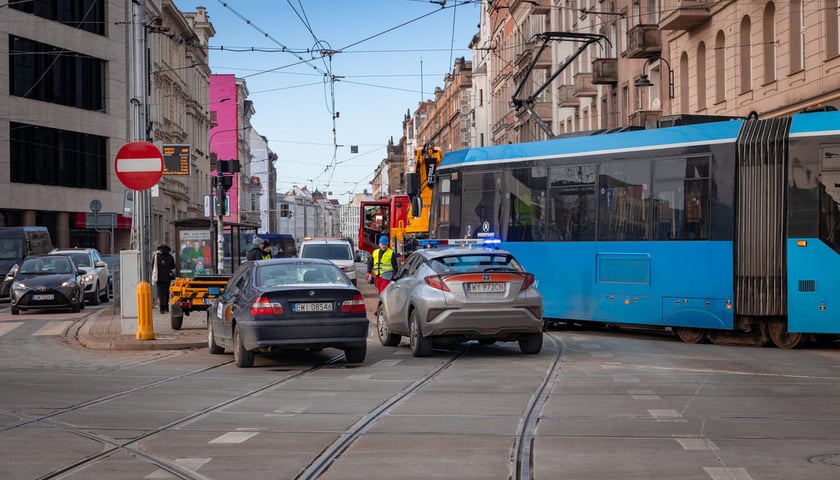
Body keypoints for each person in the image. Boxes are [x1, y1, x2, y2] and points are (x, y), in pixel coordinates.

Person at [152, 242, 176, 314]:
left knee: (160, 293)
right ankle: (166, 307)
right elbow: (173, 266)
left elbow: (153, 266)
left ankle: (161, 308)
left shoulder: (157, 257)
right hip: (167, 277)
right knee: (166, 292)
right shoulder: (170, 257)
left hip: (159, 277)